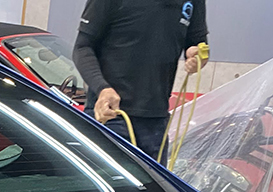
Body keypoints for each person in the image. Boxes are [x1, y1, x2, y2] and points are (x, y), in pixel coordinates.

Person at [72, 0, 207, 163]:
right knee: (108, 179)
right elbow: (82, 47)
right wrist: (102, 88)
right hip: (111, 114)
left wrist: (196, 56)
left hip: (156, 121)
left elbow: (197, 42)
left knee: (153, 180)